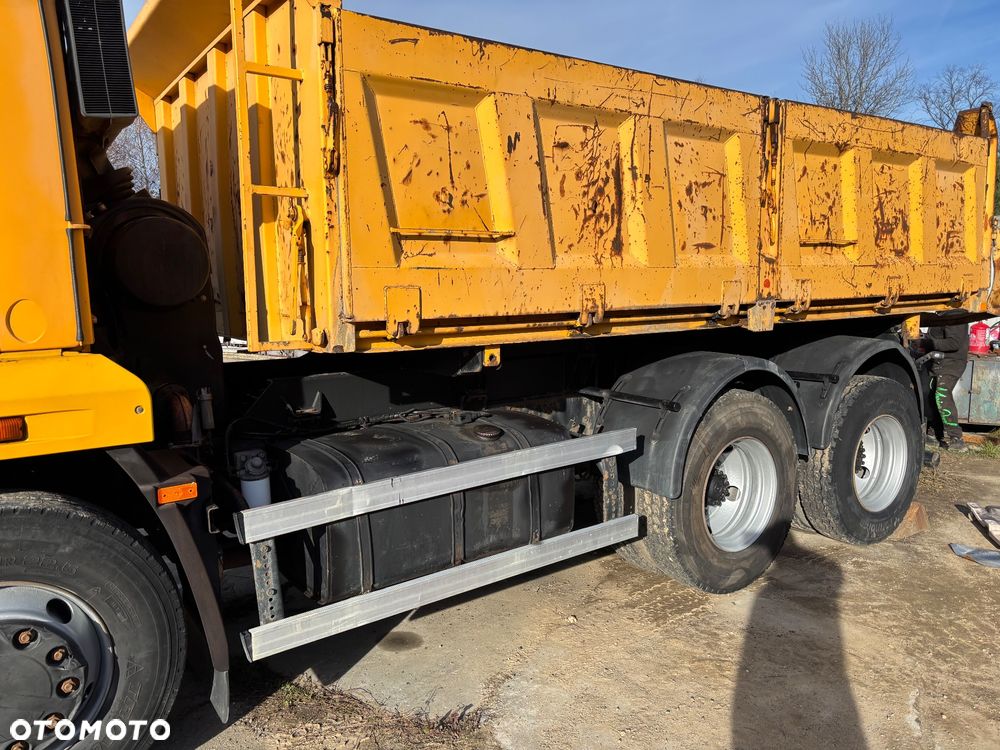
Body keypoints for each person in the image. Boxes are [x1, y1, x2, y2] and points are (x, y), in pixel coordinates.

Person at [924, 317, 970, 451]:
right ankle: (934, 434)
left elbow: (954, 343)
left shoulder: (956, 314)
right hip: (937, 362)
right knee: (931, 396)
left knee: (941, 395)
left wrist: (927, 343)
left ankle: (956, 438)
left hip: (951, 363)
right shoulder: (942, 313)